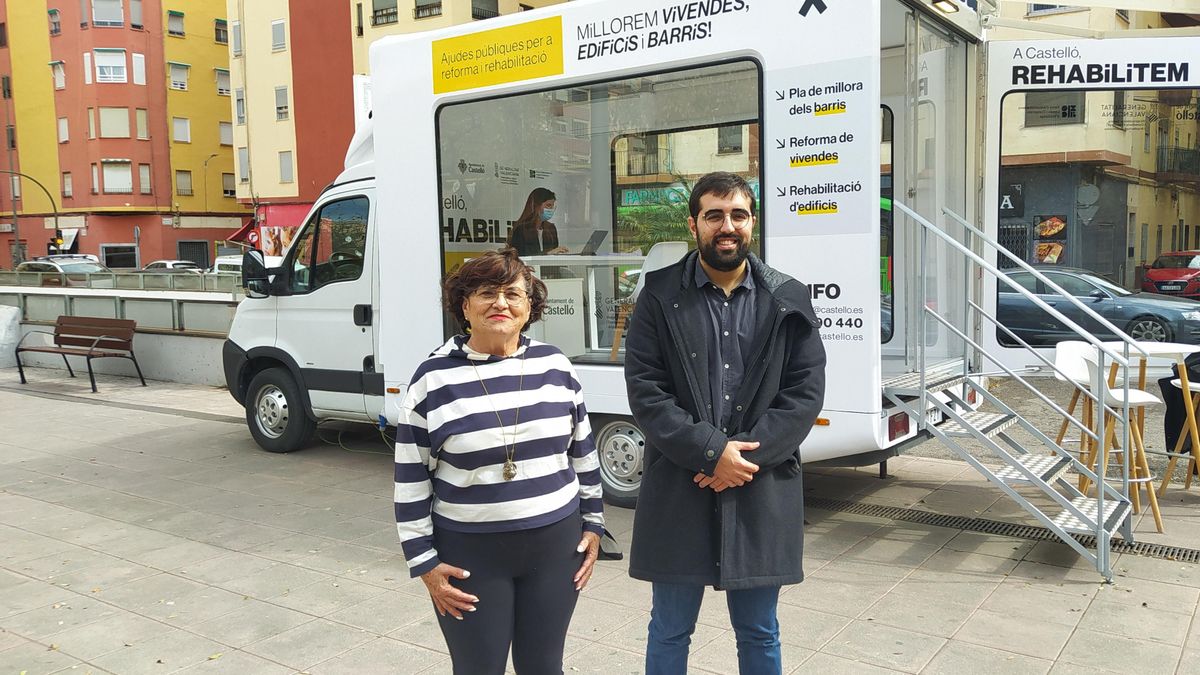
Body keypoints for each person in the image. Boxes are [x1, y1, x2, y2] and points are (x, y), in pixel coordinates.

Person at [623, 171, 827, 675]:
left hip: (759, 488)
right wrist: (713, 453)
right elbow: (647, 392)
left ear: (752, 222)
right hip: (679, 485)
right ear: (694, 223)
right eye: (714, 215)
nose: (726, 225)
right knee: (669, 629)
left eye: (738, 214)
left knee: (760, 631)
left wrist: (739, 461)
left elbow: (804, 394)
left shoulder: (787, 297)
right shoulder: (658, 295)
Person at [394, 248, 604, 674]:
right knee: (478, 668)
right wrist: (425, 564)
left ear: (530, 307)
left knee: (544, 666)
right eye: (486, 292)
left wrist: (594, 525)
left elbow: (582, 452)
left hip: (555, 547)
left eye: (513, 294)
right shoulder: (432, 379)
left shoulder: (556, 367)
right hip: (470, 554)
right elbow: (411, 477)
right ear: (464, 305)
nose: (501, 303)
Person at [508, 187, 568, 256]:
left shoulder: (551, 229)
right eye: (548, 205)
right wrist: (547, 254)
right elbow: (521, 256)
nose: (551, 209)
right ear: (536, 206)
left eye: (552, 206)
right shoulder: (521, 229)